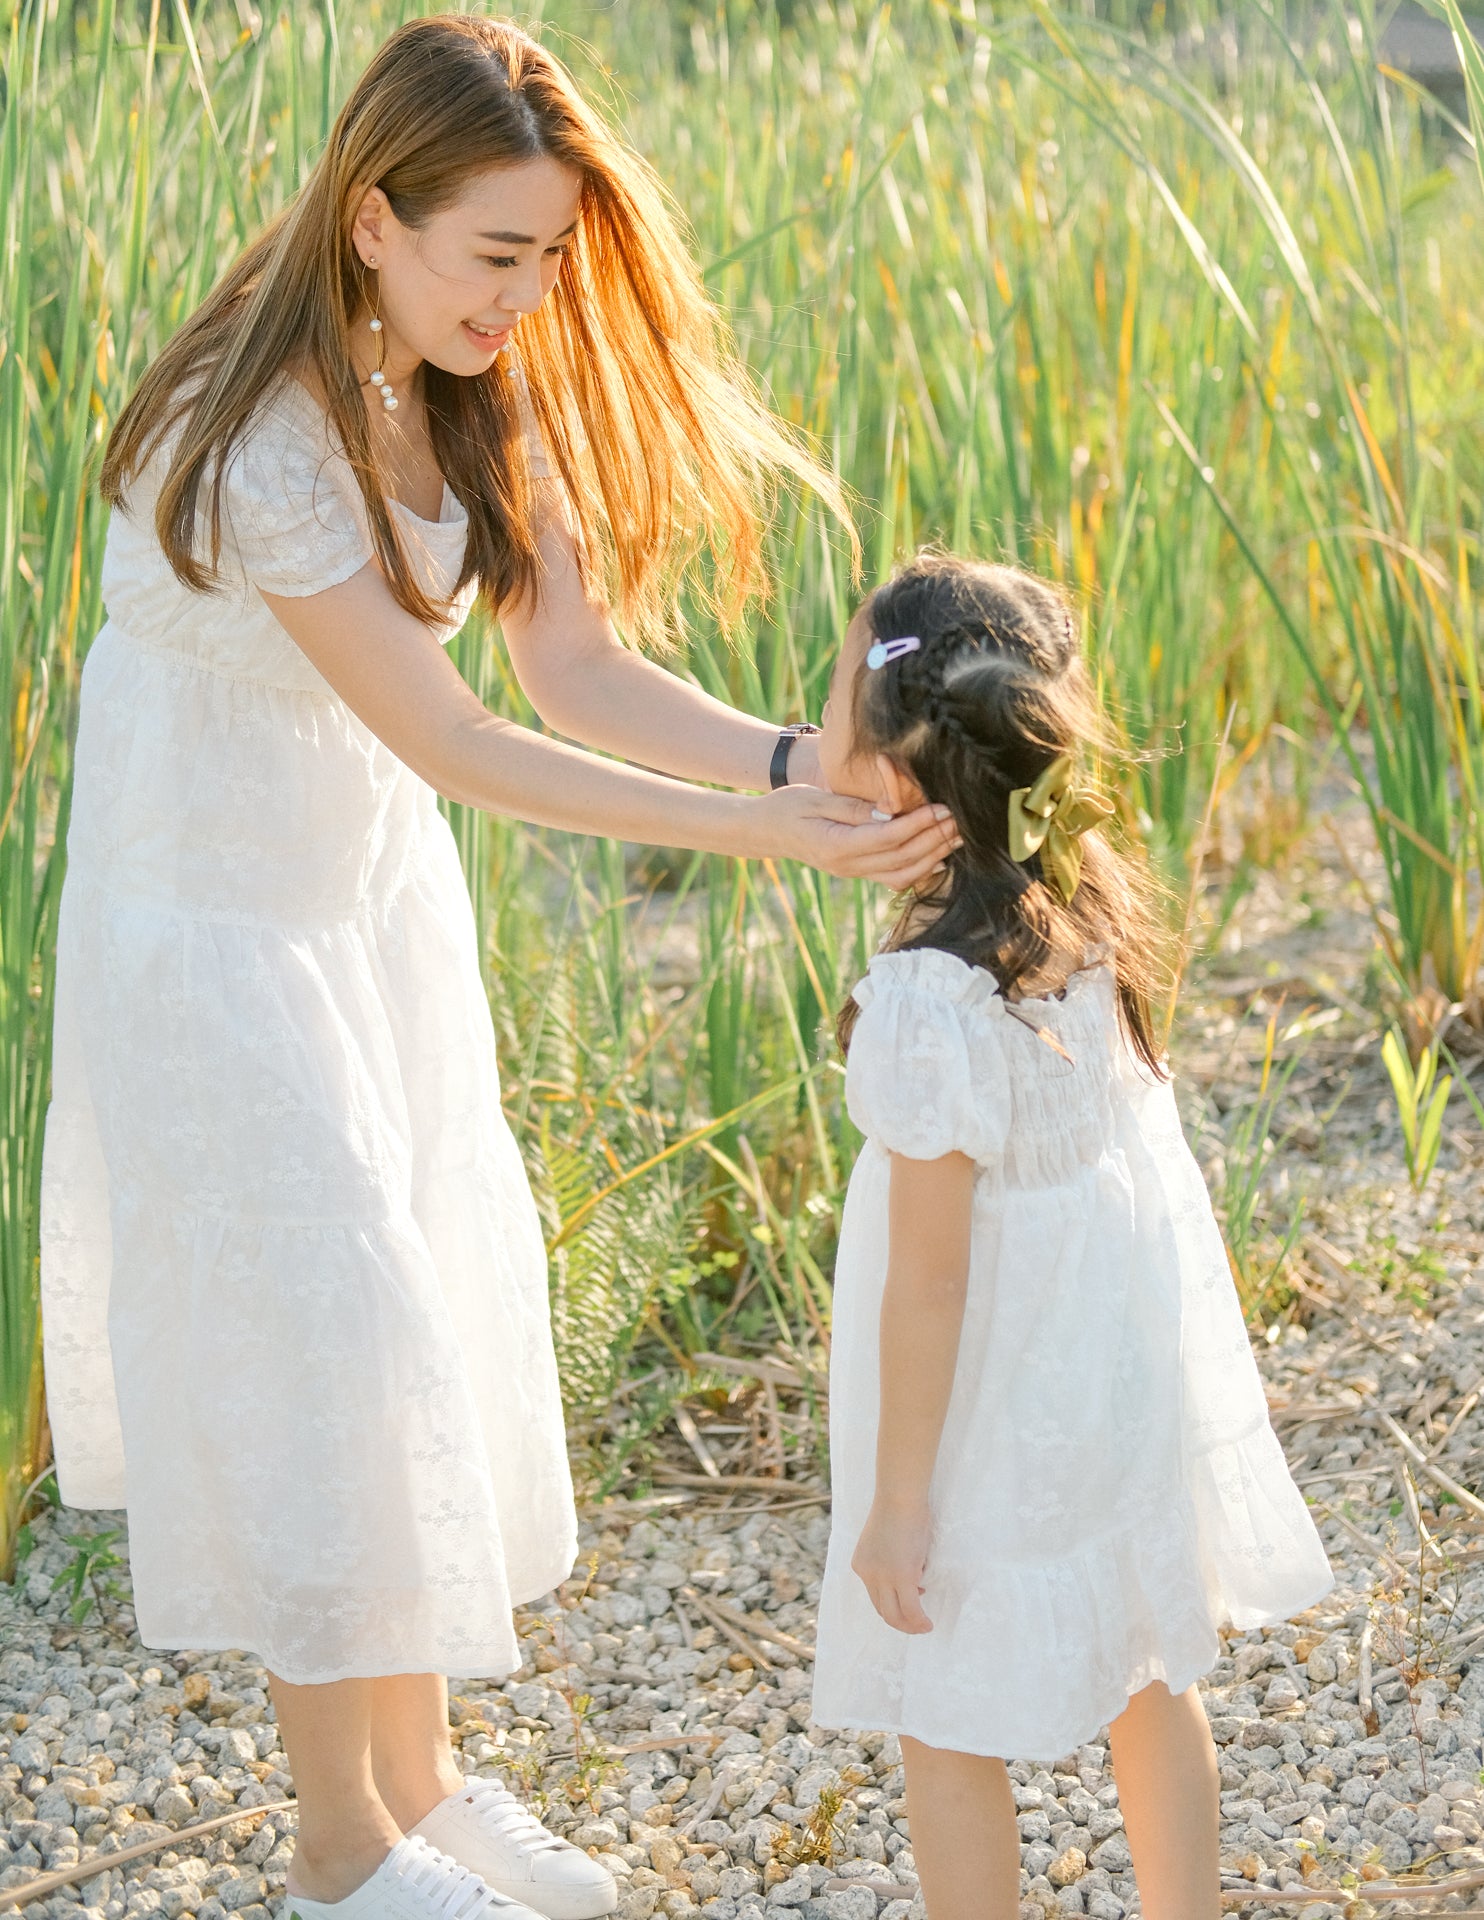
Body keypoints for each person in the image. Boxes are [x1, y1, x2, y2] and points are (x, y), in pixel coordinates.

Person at [35, 19, 962, 1920]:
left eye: (547, 257)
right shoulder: (260, 418)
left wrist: (807, 766)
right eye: (497, 255)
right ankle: (337, 1850)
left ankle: (425, 1786)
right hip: (209, 932)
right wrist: (751, 840)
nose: (526, 296)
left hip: (362, 915)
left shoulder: (469, 378)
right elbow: (451, 740)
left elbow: (576, 674)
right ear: (374, 220)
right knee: (327, 1342)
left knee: (418, 1313)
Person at [804, 552, 1336, 1920]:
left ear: (902, 775)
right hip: (1099, 1368)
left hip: (981, 1401)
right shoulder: (1084, 910)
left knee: (943, 1711)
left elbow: (927, 1281)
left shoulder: (932, 995)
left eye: (836, 705)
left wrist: (900, 1503)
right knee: (1147, 1664)